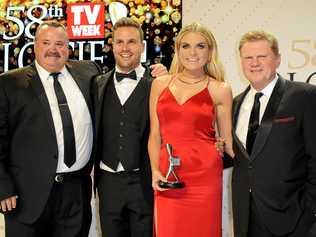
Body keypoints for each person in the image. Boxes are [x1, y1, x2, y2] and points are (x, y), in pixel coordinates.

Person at [0, 20, 102, 237]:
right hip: (27, 195)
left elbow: (117, 87)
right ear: (35, 45)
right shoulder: (8, 83)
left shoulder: (89, 72)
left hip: (76, 192)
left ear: (68, 47)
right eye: (46, 42)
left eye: (60, 44)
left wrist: (154, 75)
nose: (53, 50)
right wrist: (3, 188)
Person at [147, 22, 234, 237]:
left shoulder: (220, 89)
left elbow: (228, 140)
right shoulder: (160, 84)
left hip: (205, 176)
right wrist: (155, 171)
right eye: (185, 46)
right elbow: (155, 134)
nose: (192, 52)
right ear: (177, 50)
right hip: (168, 175)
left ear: (210, 51)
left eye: (200, 46)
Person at [232, 30, 316, 237]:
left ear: (277, 60)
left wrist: (308, 211)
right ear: (241, 62)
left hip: (293, 217)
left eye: (262, 56)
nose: (255, 63)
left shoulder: (304, 96)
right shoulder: (235, 103)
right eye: (248, 57)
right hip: (246, 218)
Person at [93, 17, 167, 237]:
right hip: (107, 184)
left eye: (132, 42)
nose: (125, 48)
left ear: (142, 46)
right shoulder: (97, 84)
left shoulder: (159, 84)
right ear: (112, 45)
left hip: (144, 182)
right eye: (120, 42)